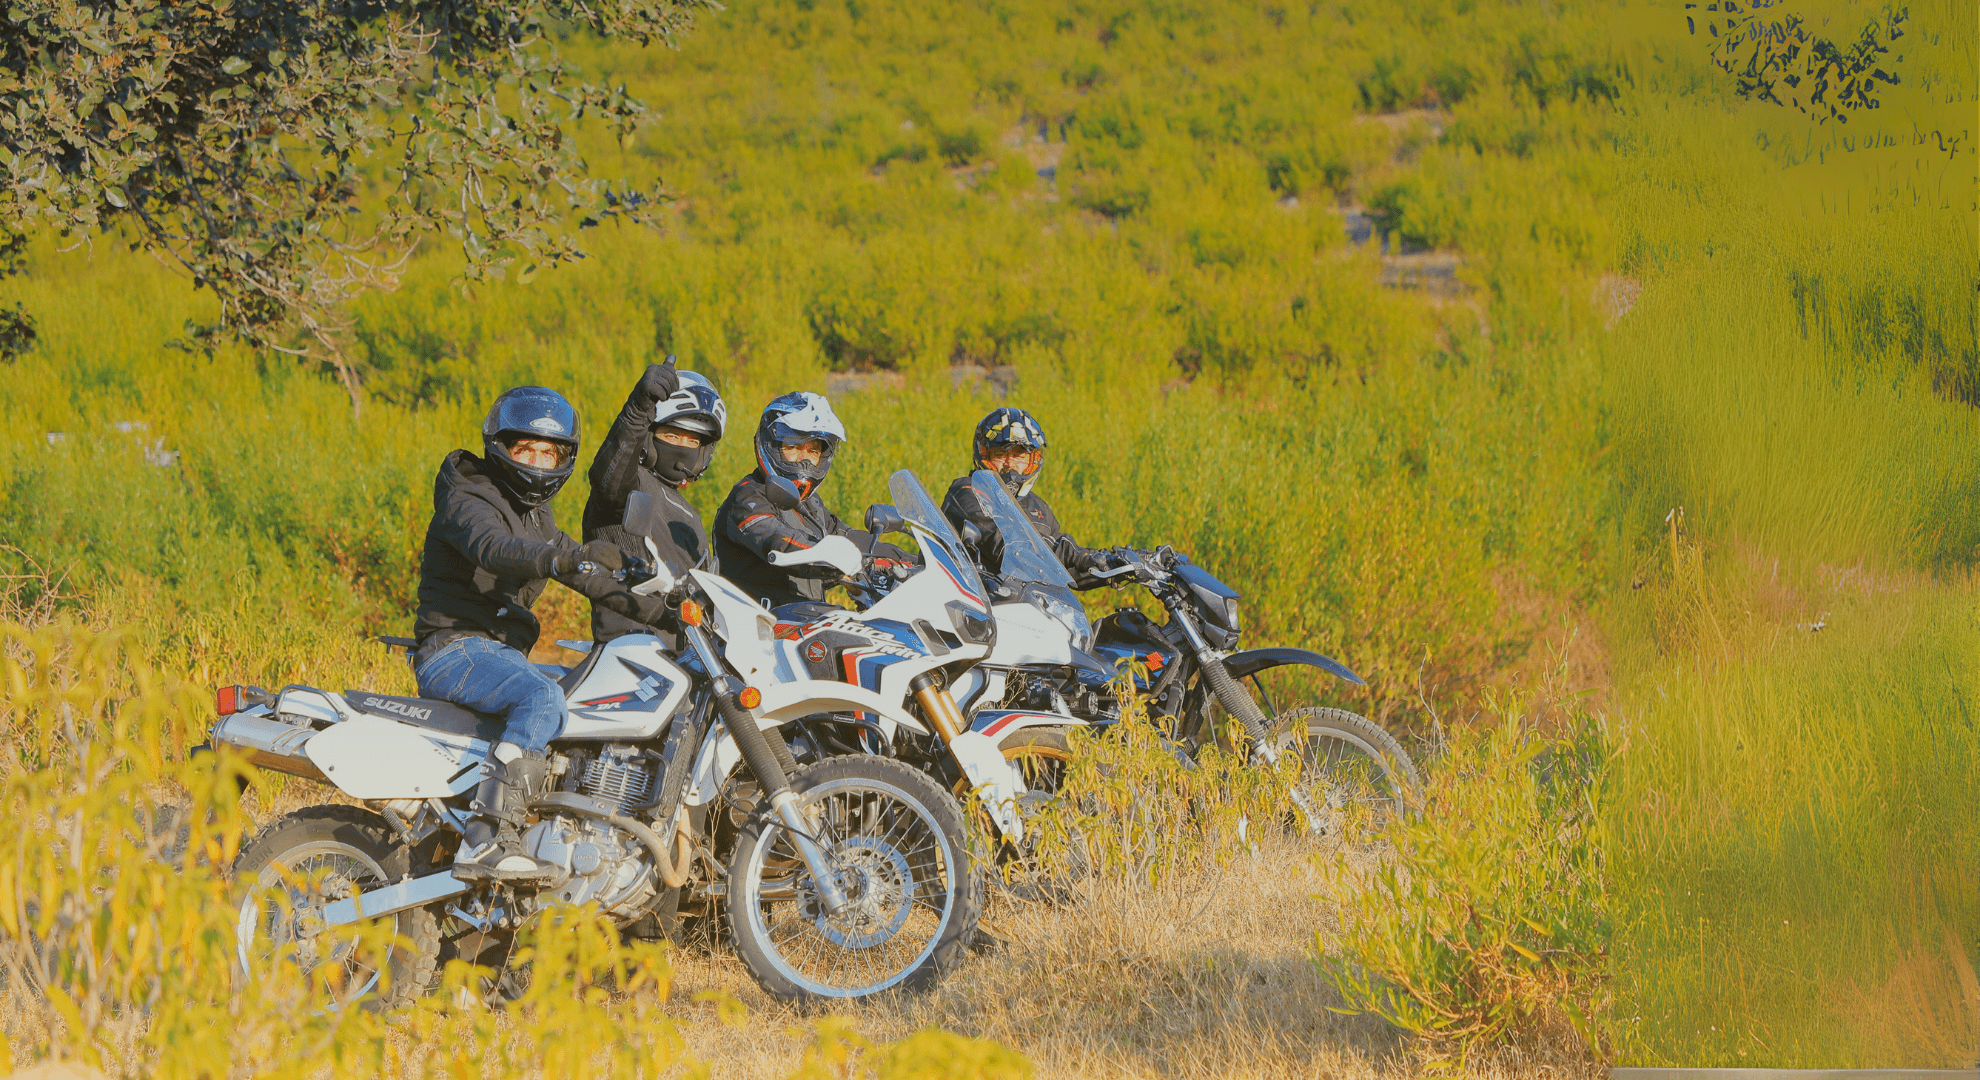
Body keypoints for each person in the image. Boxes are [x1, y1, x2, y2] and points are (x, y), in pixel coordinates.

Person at [411, 384, 671, 881]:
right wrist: (559, 559)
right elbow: (493, 547)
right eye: (525, 449)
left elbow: (589, 577)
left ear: (563, 459)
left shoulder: (536, 516)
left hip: (499, 655)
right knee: (542, 697)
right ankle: (486, 837)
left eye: (548, 452)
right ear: (501, 447)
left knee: (583, 705)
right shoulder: (468, 493)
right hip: (454, 649)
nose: (536, 461)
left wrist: (665, 613)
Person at [714, 391, 909, 610]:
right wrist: (835, 556)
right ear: (771, 446)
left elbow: (847, 537)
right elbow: (780, 541)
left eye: (813, 450)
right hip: (759, 622)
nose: (805, 460)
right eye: (793, 447)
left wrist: (912, 561)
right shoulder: (748, 498)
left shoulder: (809, 504)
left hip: (804, 619)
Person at [582, 358, 726, 645]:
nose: (683, 447)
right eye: (672, 435)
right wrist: (638, 410)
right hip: (633, 645)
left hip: (690, 652)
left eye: (693, 441)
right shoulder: (632, 485)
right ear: (649, 437)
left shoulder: (689, 516)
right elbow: (610, 477)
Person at [942, 407, 1116, 587]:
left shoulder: (1038, 507)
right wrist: (1072, 556)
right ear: (984, 454)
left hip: (1026, 602)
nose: (1010, 463)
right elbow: (1005, 544)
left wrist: (1108, 564)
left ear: (1032, 459)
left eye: (1019, 455)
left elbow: (1064, 568)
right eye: (1000, 454)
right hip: (973, 597)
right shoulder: (967, 491)